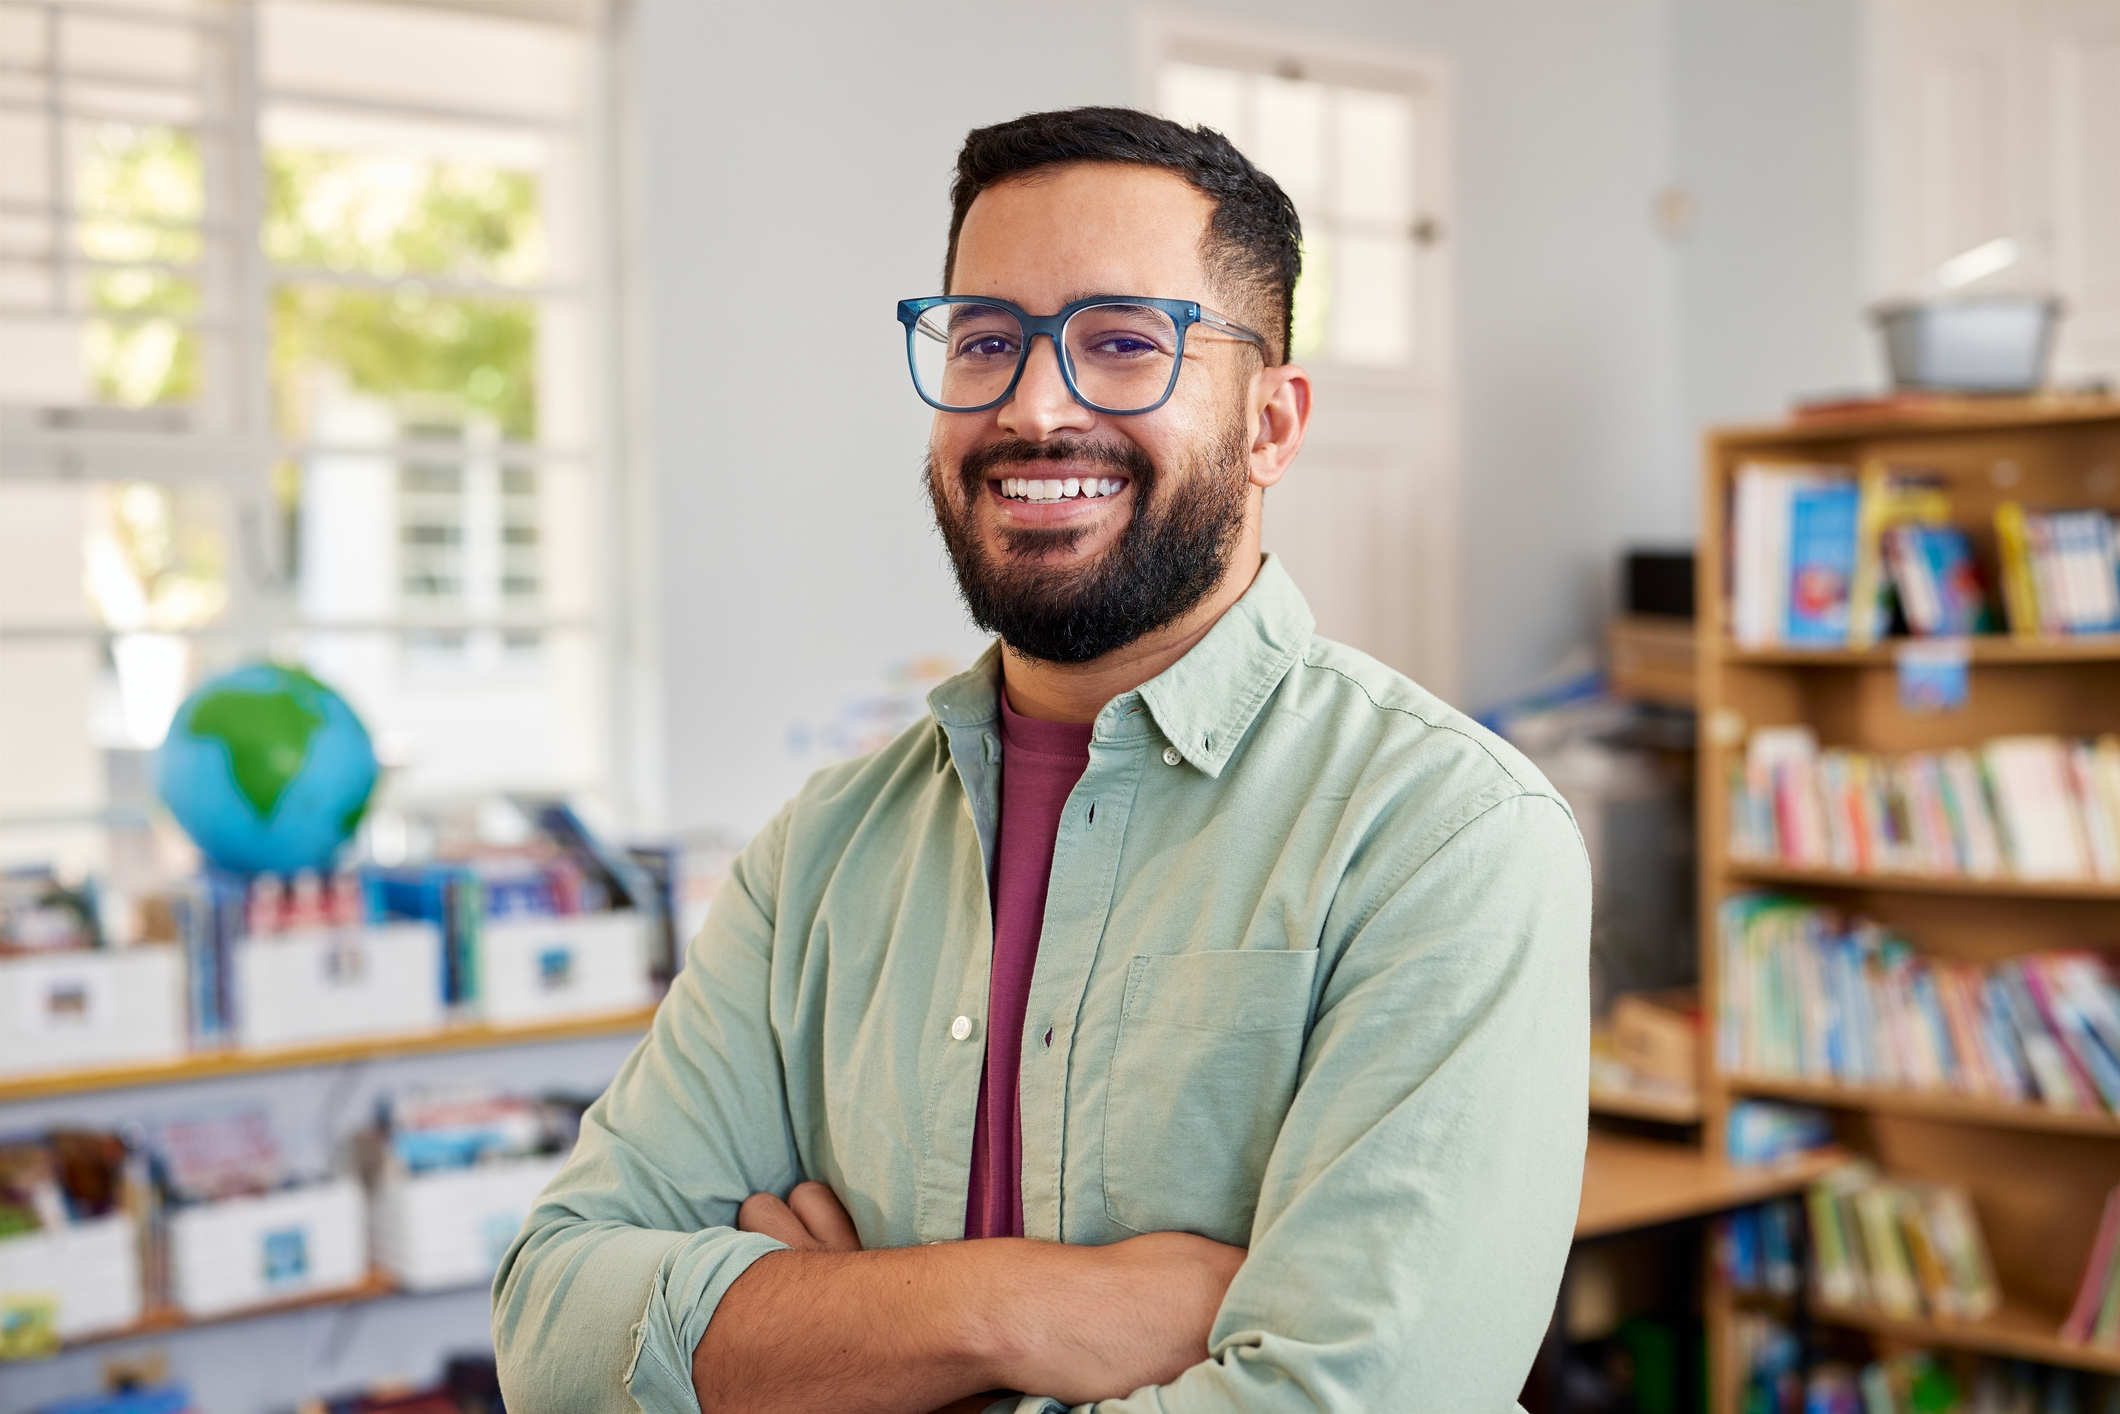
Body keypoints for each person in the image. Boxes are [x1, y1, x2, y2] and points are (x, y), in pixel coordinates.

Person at [493, 106, 1590, 1414]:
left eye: (1125, 342)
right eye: (985, 340)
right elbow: (557, 1331)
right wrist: (1001, 1310)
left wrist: (827, 1348)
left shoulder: (1446, 836)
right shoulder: (824, 854)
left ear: (1273, 425)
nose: (1034, 404)